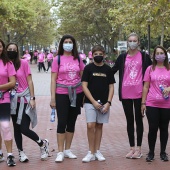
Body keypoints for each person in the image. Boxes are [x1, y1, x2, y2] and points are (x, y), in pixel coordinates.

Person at [6, 42, 49, 162]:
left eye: (14, 49)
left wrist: (32, 98)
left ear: (17, 51)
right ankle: (21, 152)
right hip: (12, 101)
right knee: (16, 127)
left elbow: (30, 81)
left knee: (24, 128)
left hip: (24, 99)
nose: (12, 51)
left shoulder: (23, 63)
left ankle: (42, 143)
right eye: (9, 49)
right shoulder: (5, 64)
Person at [112, 32, 152, 159]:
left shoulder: (145, 57)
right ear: (127, 42)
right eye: (130, 40)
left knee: (138, 120)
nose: (132, 42)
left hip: (140, 94)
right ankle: (132, 148)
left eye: (135, 40)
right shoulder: (122, 57)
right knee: (129, 121)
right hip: (125, 94)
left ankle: (139, 149)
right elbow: (112, 71)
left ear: (138, 42)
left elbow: (152, 72)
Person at [50, 34, 85, 163]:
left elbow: (83, 77)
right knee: (62, 122)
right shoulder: (57, 59)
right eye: (66, 42)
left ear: (74, 44)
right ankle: (60, 151)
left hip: (77, 93)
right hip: (61, 94)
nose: (68, 44)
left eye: (70, 42)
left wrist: (85, 95)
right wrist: (53, 98)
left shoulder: (79, 59)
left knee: (71, 122)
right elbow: (53, 80)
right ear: (62, 44)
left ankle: (67, 149)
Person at [81, 45, 115, 162]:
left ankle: (97, 150)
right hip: (90, 102)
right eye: (96, 54)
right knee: (90, 125)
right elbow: (84, 86)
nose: (98, 56)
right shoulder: (88, 68)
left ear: (104, 55)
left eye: (100, 54)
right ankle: (91, 151)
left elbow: (111, 86)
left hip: (104, 103)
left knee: (99, 125)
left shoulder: (108, 69)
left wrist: (109, 102)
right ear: (92, 55)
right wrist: (93, 102)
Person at [141, 45, 170, 162]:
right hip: (152, 103)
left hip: (166, 104)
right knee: (152, 128)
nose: (159, 55)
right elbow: (146, 86)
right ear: (154, 56)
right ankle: (151, 152)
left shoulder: (169, 68)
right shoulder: (150, 69)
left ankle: (163, 152)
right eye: (157, 53)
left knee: (164, 128)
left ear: (165, 55)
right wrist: (143, 103)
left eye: (161, 53)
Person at [0, 39, 16, 166]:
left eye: (0, 46)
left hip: (3, 99)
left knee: (5, 126)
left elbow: (12, 82)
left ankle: (10, 155)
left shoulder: (8, 63)